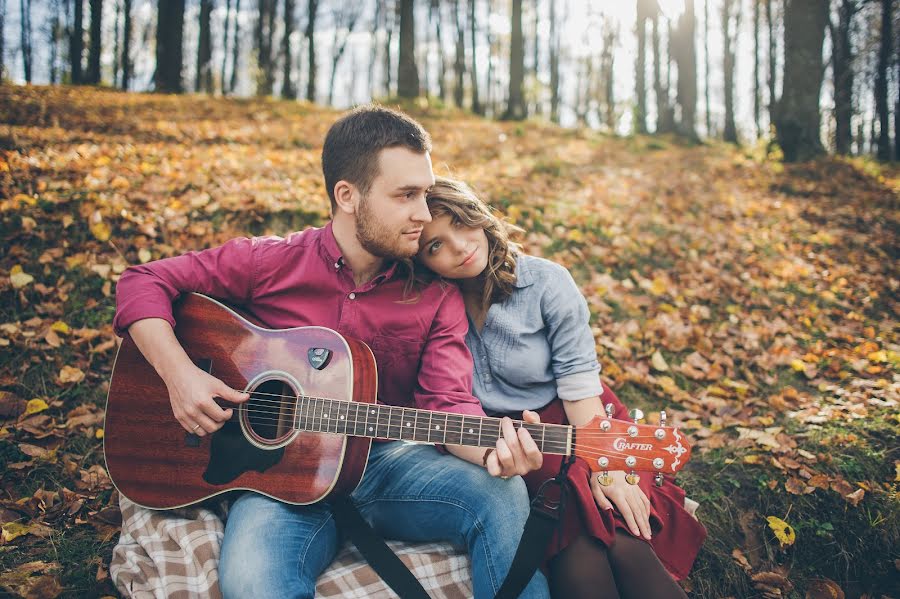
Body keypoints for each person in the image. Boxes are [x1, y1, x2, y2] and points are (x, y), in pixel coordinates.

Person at [112, 105, 550, 599]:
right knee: (254, 584)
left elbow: (447, 405)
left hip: (387, 466)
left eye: (425, 194)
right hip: (277, 481)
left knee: (502, 491)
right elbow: (142, 281)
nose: (424, 215)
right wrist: (181, 377)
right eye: (406, 195)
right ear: (348, 195)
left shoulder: (435, 296)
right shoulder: (268, 262)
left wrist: (496, 448)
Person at [416, 177, 707, 599]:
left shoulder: (546, 283)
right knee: (580, 549)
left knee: (620, 538)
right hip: (514, 443)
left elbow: (579, 387)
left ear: (479, 215)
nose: (459, 246)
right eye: (435, 245)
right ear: (422, 259)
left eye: (461, 223)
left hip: (583, 421)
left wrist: (605, 466)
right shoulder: (434, 305)